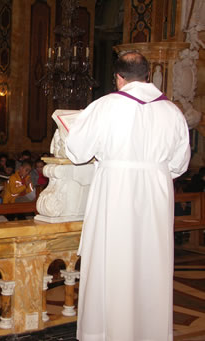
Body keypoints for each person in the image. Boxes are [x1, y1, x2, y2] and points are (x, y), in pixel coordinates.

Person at [65, 52, 190, 341]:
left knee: (112, 260)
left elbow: (77, 151)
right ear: (147, 76)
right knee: (150, 263)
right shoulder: (172, 111)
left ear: (118, 78)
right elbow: (179, 165)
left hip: (115, 193)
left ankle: (106, 333)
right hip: (155, 196)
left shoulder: (106, 106)